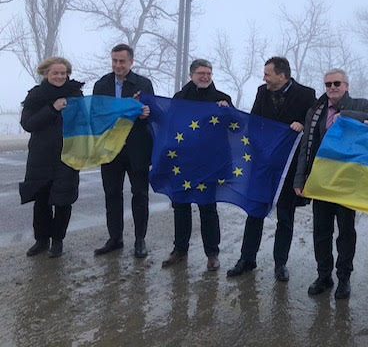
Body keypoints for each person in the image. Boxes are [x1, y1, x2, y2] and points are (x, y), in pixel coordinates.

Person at [227, 57, 316, 282]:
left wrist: (303, 124)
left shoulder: (306, 94)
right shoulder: (262, 92)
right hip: (262, 165)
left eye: (267, 74)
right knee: (254, 212)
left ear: (282, 75)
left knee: (285, 217)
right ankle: (247, 259)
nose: (263, 78)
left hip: (288, 168)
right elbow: (254, 123)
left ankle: (280, 263)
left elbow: (314, 124)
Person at [293, 68, 368, 300]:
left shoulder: (360, 105)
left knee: (346, 232)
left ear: (346, 85)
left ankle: (343, 278)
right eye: (328, 84)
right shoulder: (316, 110)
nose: (332, 87)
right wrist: (300, 178)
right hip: (320, 181)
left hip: (347, 182)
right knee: (321, 231)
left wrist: (346, 115)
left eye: (337, 83)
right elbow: (306, 146)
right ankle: (324, 276)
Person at [161, 59, 232, 271]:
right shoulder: (179, 98)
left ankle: (212, 254)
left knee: (207, 208)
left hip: (209, 164)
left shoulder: (222, 99)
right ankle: (180, 250)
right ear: (191, 75)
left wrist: (228, 112)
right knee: (180, 207)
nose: (205, 77)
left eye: (209, 73)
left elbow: (236, 128)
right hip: (182, 162)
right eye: (201, 73)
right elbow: (169, 126)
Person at [93, 44, 154, 258]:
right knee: (112, 195)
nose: (118, 65)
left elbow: (151, 114)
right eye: (114, 61)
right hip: (110, 149)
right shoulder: (101, 85)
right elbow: (97, 114)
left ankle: (140, 239)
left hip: (137, 148)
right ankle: (115, 238)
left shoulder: (143, 84)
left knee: (140, 195)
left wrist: (145, 113)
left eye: (122, 61)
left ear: (131, 62)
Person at [19, 57, 84, 258]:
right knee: (42, 200)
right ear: (46, 73)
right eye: (55, 73)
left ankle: (57, 241)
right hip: (41, 157)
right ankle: (41, 240)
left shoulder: (76, 95)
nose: (59, 76)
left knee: (63, 200)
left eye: (63, 73)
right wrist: (52, 109)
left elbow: (85, 121)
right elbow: (28, 124)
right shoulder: (35, 96)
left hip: (68, 155)